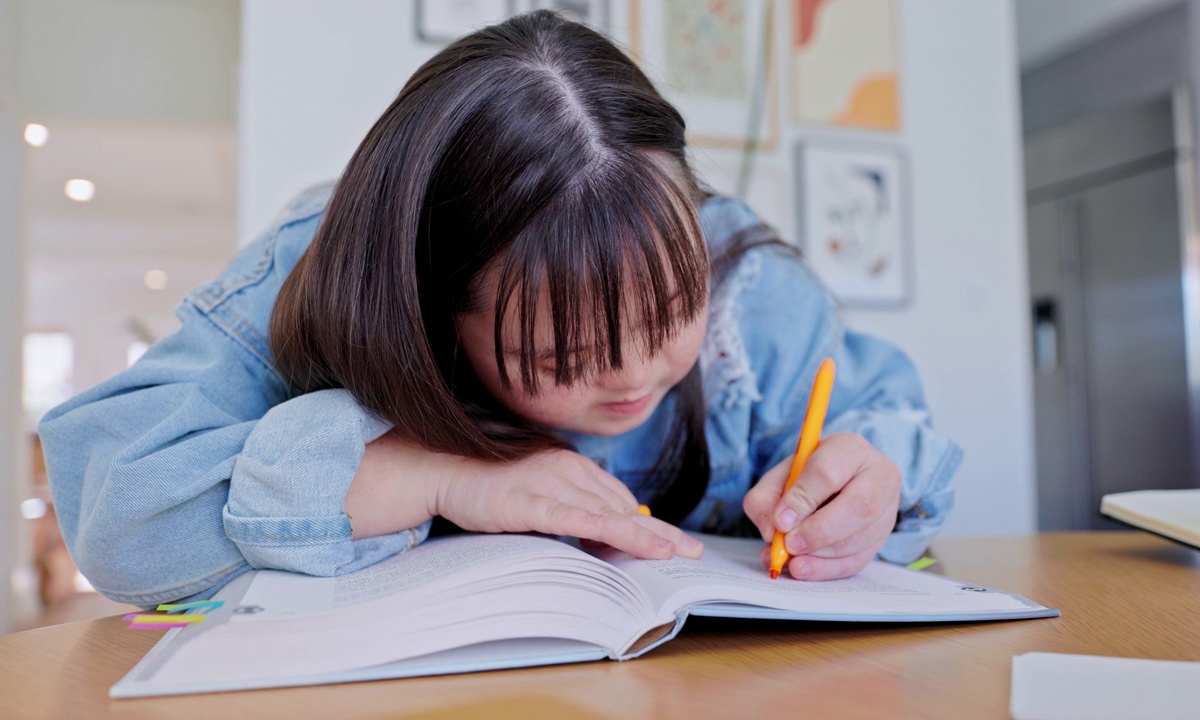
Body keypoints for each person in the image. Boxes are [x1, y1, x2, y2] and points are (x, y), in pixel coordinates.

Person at [39, 11, 961, 608]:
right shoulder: (322, 271)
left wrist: (864, 489)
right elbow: (120, 517)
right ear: (435, 304)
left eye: (676, 305)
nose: (639, 374)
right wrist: (434, 478)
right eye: (565, 356)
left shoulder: (750, 290)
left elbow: (878, 432)